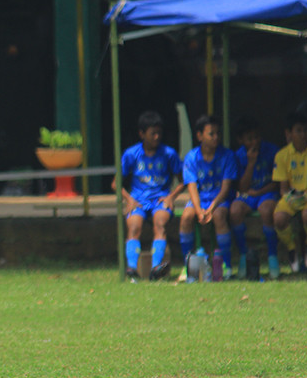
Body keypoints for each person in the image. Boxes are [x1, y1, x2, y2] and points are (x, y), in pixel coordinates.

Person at [113, 110, 184, 281]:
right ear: (142, 134)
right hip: (138, 201)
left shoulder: (169, 153)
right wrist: (129, 200)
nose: (157, 137)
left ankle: (156, 269)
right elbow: (116, 183)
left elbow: (183, 181)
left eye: (159, 133)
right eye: (153, 133)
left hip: (160, 200)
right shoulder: (132, 154)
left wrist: (171, 197)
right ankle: (131, 270)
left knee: (160, 224)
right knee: (134, 227)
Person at [179, 115, 239, 275]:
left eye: (218, 133)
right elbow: (191, 187)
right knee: (186, 217)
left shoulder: (227, 156)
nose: (216, 137)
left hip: (219, 200)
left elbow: (226, 189)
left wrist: (211, 209)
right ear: (199, 136)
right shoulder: (191, 157)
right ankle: (188, 266)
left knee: (219, 216)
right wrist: (199, 210)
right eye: (211, 134)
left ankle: (226, 264)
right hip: (200, 200)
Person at [270, 112, 307, 277]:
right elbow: (282, 188)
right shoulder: (282, 155)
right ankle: (291, 249)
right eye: (299, 131)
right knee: (279, 219)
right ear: (289, 134)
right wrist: (289, 196)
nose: (303, 134)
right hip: (293, 197)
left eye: (305, 130)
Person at [228, 117, 279, 277]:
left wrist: (259, 192)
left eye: (257, 137)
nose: (255, 141)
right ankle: (244, 255)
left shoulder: (272, 151)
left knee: (266, 210)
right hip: (248, 195)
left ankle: (272, 256)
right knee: (235, 211)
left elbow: (277, 182)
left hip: (267, 192)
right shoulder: (238, 156)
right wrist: (250, 164)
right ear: (240, 140)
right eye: (250, 139)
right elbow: (242, 188)